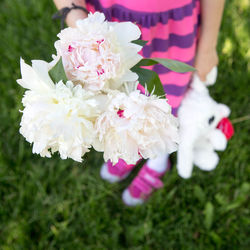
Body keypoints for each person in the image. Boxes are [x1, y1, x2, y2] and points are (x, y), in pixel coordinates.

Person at [53, 0, 225, 206]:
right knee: (121, 95)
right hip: (110, 19)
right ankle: (131, 145)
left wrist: (208, 47)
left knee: (169, 92)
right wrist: (82, 28)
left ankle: (159, 156)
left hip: (172, 23)